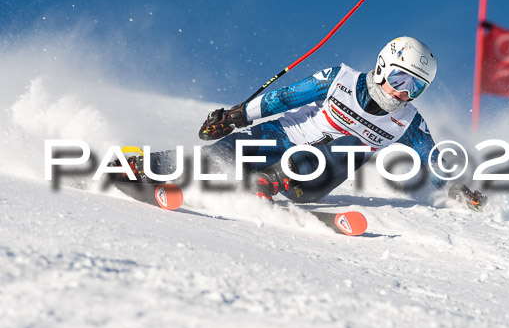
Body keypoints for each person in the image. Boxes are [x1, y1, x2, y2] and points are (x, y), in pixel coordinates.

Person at [121, 37, 485, 210]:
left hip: (310, 178)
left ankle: (275, 180)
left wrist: (461, 190)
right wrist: (234, 118)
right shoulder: (340, 79)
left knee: (353, 145)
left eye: (417, 87)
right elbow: (285, 97)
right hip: (278, 138)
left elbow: (433, 159)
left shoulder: (406, 122)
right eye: (401, 80)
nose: (405, 93)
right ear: (381, 67)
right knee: (218, 157)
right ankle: (140, 168)